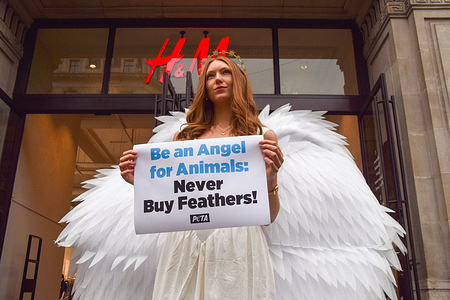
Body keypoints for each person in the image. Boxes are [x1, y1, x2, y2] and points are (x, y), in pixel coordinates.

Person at [119, 55, 284, 299]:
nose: (218, 79)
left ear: (238, 80)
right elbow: (173, 198)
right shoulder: (183, 140)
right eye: (210, 75)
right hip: (186, 241)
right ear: (204, 88)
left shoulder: (261, 138)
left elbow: (268, 217)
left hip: (239, 243)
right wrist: (142, 183)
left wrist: (270, 179)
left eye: (225, 72)